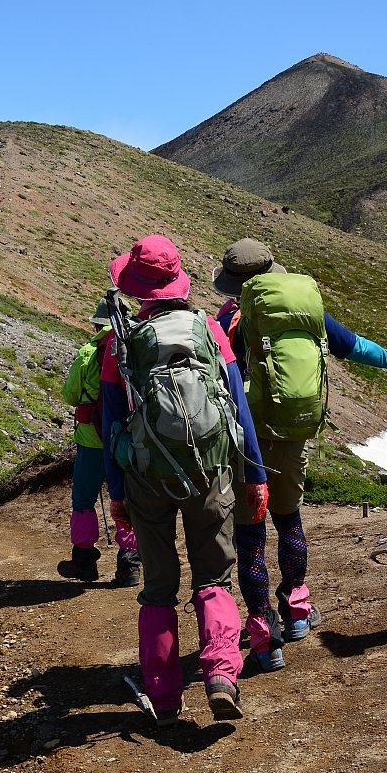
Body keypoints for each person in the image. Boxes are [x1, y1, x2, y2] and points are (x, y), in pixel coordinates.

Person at [99, 235, 270, 723]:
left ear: (136, 290)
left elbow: (112, 420)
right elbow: (238, 406)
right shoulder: (209, 332)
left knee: (158, 586)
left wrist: (117, 493)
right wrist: (254, 474)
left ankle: (166, 695)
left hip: (147, 475)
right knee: (214, 575)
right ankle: (220, 674)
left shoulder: (122, 341)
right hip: (210, 470)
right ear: (178, 281)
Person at [212, 237, 387, 647]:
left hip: (247, 440)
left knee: (250, 536)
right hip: (292, 433)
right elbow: (352, 346)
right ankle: (298, 611)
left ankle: (262, 626)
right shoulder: (305, 314)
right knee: (289, 523)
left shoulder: (230, 320)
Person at [59, 297, 140, 587]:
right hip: (129, 441)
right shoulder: (137, 348)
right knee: (127, 500)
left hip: (93, 441)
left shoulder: (89, 352)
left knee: (83, 500)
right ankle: (130, 565)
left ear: (97, 323)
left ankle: (84, 562)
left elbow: (70, 395)